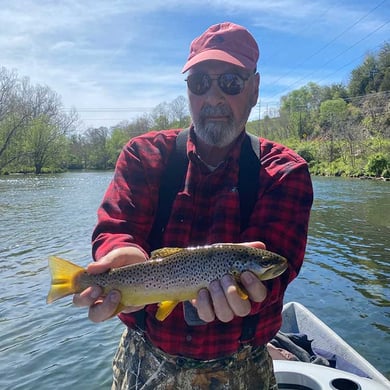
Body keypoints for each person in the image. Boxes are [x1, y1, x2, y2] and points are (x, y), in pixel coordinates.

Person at [73, 22, 313, 389]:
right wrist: (118, 252)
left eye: (231, 81)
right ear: (188, 90)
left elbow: (278, 272)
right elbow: (116, 227)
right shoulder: (143, 155)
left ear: (255, 89)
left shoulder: (285, 172)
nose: (213, 97)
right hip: (144, 356)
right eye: (200, 82)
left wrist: (252, 297)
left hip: (241, 366)